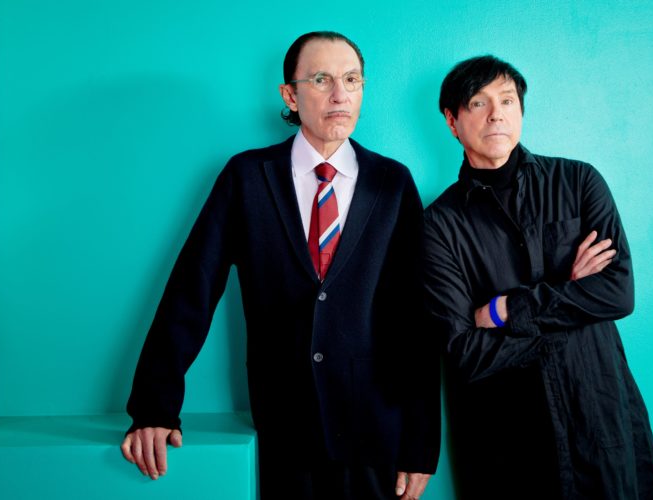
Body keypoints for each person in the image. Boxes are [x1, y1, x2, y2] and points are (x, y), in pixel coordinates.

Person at [120, 31, 439, 499]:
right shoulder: (247, 176)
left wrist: (421, 442)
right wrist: (154, 406)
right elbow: (193, 289)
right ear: (290, 95)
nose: (340, 94)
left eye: (352, 79)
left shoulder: (392, 182)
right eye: (322, 79)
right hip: (283, 425)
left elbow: (415, 317)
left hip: (375, 427)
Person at [423, 55, 653, 499]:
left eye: (507, 100)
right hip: (508, 438)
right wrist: (573, 298)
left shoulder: (579, 182)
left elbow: (618, 293)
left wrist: (506, 310)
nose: (496, 114)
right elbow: (464, 353)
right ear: (451, 120)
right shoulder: (439, 224)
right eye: (478, 102)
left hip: (599, 415)